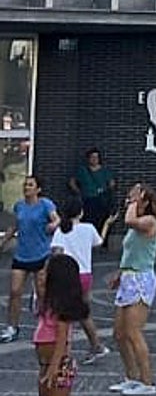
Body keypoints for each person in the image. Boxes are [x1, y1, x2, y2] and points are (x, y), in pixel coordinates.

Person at [33, 254, 89, 396]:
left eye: (47, 271)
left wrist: (54, 369)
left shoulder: (62, 307)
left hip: (59, 367)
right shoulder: (46, 302)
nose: (42, 274)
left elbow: (62, 341)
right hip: (45, 366)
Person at [109, 183, 156, 396]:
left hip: (141, 278)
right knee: (119, 333)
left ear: (145, 201)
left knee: (133, 331)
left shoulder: (149, 221)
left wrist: (133, 203)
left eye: (136, 195)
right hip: (128, 277)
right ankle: (131, 376)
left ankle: (147, 381)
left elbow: (129, 220)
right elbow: (130, 252)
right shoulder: (136, 225)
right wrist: (120, 273)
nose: (130, 198)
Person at [51, 195, 113, 364]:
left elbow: (57, 253)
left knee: (65, 314)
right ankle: (96, 345)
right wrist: (107, 224)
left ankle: (66, 351)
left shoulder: (62, 230)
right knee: (83, 313)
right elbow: (99, 242)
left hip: (68, 275)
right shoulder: (88, 228)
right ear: (81, 212)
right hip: (85, 275)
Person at [0, 174, 60, 343]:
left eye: (30, 185)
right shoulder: (19, 206)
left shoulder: (45, 204)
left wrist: (53, 225)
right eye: (25, 185)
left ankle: (45, 326)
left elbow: (56, 219)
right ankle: (12, 327)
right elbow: (15, 226)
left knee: (42, 292)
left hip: (41, 253)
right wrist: (4, 241)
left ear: (38, 189)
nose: (26, 188)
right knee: (14, 291)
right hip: (21, 254)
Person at [68, 148, 116, 243]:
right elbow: (72, 182)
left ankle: (101, 241)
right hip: (87, 200)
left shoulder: (104, 171)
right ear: (88, 159)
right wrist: (79, 192)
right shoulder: (82, 170)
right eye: (92, 157)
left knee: (101, 221)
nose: (94, 159)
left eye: (96, 157)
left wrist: (106, 191)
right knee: (88, 221)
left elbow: (112, 183)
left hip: (101, 201)